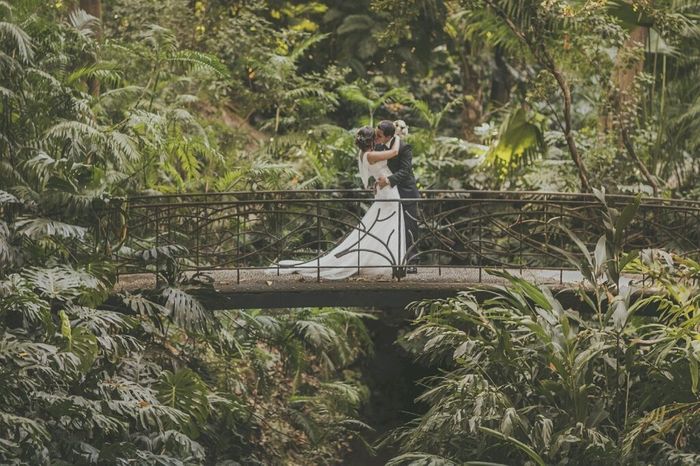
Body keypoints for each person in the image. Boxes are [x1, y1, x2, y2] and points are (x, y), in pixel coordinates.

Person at [267, 126, 406, 280]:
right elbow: (394, 152)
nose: (378, 138)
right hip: (388, 193)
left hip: (384, 191)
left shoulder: (364, 154)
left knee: (382, 227)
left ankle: (385, 262)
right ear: (371, 140)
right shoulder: (370, 155)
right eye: (376, 136)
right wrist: (398, 136)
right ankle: (391, 264)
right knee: (389, 225)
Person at [367, 120, 420, 275]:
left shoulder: (404, 147)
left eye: (379, 135)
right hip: (387, 194)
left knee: (409, 226)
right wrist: (375, 182)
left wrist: (388, 181)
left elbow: (405, 171)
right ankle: (388, 259)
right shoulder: (376, 147)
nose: (376, 137)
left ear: (389, 136)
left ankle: (412, 261)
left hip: (405, 192)